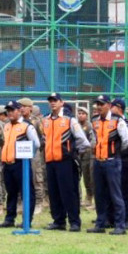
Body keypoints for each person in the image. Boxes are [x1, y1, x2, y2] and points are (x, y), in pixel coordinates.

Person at [87, 95, 128, 235]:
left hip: (112, 161)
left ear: (108, 105)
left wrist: (115, 152)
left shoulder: (117, 120)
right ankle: (100, 223)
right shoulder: (95, 120)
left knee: (116, 194)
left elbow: (127, 140)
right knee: (99, 194)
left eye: (101, 104)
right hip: (98, 161)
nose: (99, 106)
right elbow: (93, 139)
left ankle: (120, 225)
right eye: (97, 104)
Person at [44, 92, 92, 232]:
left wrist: (73, 154)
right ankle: (58, 221)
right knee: (54, 193)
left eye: (55, 100)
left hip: (65, 162)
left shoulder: (70, 120)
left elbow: (83, 141)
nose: (52, 103)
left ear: (61, 102)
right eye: (51, 101)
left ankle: (74, 222)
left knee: (69, 193)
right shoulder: (46, 120)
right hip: (50, 161)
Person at [0, 100, 41, 228]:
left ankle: (27, 220)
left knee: (26, 192)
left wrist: (27, 156)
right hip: (8, 164)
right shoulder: (7, 126)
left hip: (21, 164)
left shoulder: (27, 126)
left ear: (19, 111)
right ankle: (9, 219)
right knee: (11, 193)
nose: (10, 113)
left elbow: (36, 143)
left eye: (12, 110)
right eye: (8, 111)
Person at [76, 106, 96, 209]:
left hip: (88, 154)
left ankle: (90, 197)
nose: (81, 115)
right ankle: (87, 197)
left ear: (87, 115)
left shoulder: (89, 126)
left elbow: (91, 140)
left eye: (83, 113)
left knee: (90, 177)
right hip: (79, 154)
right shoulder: (76, 125)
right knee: (83, 176)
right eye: (79, 113)